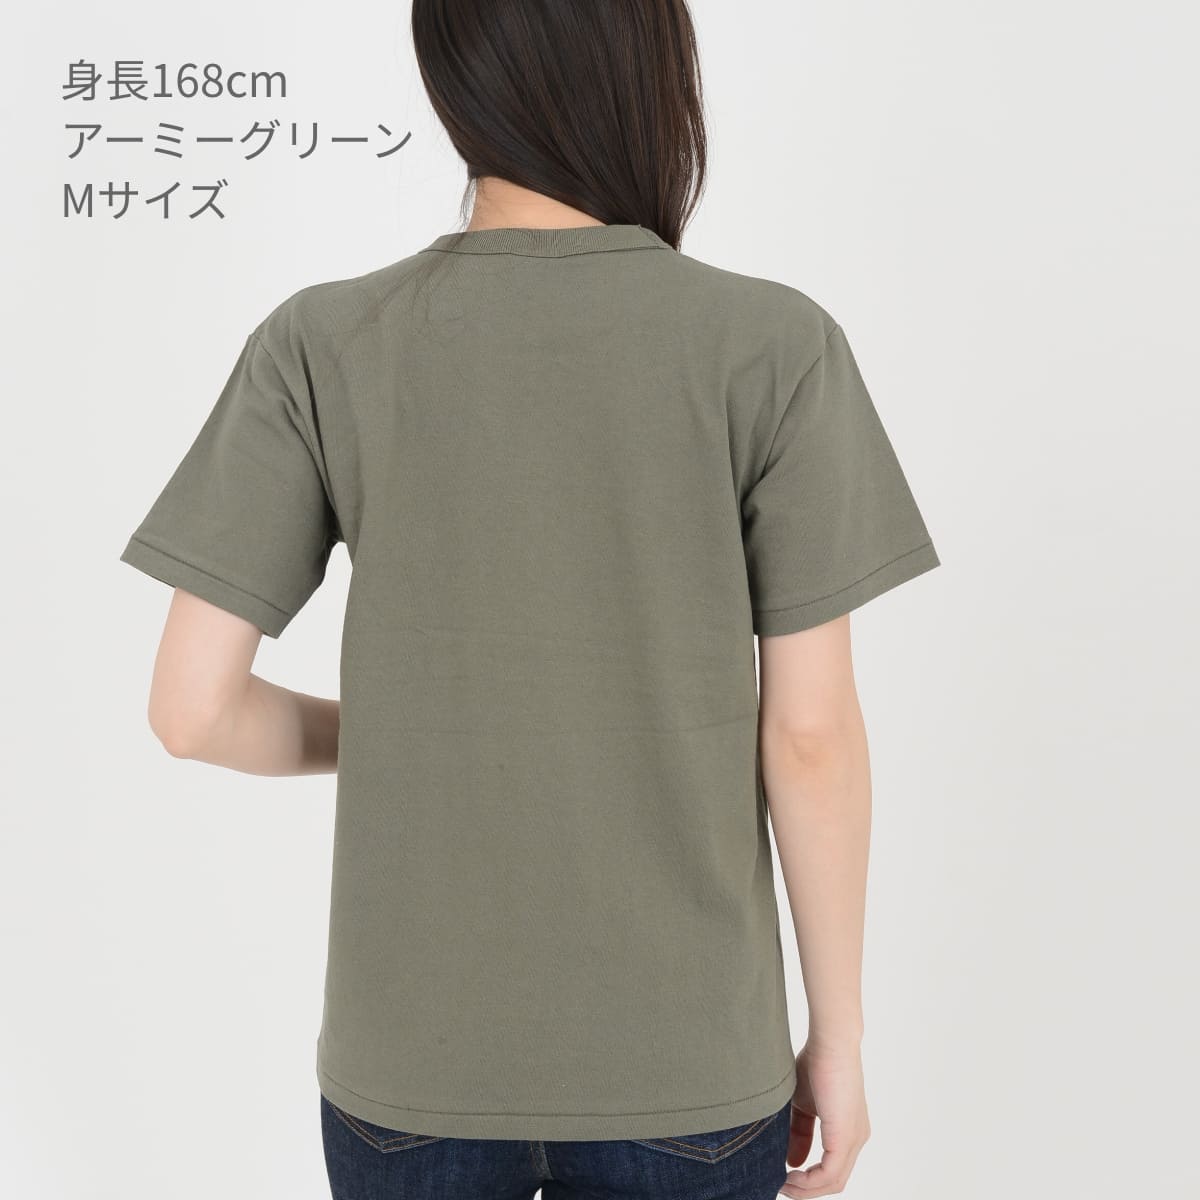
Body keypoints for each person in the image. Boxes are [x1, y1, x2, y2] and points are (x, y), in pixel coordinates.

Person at [118, 2, 940, 1197]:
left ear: (456, 80)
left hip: (410, 1071)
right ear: (656, 79)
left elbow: (190, 711)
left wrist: (407, 728)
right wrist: (842, 1042)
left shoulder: (323, 343)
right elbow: (809, 738)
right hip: (689, 1069)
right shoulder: (773, 347)